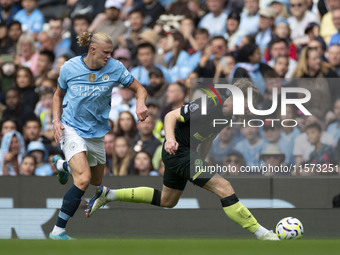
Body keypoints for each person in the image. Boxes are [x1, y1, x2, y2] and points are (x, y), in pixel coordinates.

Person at [85, 79, 279, 241]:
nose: (251, 110)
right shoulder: (210, 104)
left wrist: (201, 161)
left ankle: (109, 194)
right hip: (178, 151)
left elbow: (209, 137)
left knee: (167, 200)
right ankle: (262, 234)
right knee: (224, 187)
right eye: (250, 103)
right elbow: (170, 116)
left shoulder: (228, 116)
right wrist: (170, 139)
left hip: (184, 154)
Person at [50, 31, 148, 240]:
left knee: (96, 180)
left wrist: (140, 102)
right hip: (72, 128)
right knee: (83, 179)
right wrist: (55, 120)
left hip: (97, 133)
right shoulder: (69, 67)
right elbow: (58, 95)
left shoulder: (115, 67)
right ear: (92, 49)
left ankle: (62, 165)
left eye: (111, 53)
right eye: (106, 52)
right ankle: (58, 231)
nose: (109, 57)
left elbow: (139, 88)